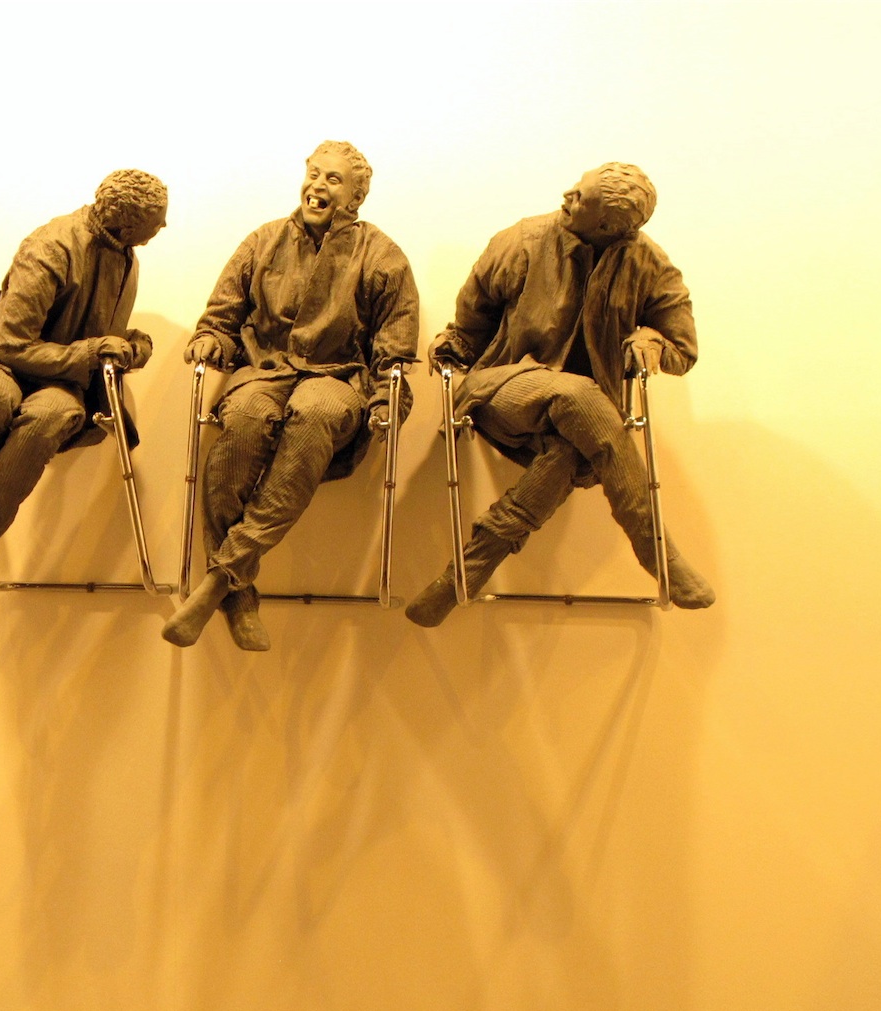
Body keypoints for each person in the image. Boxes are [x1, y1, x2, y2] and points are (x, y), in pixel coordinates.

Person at [406, 162, 716, 626]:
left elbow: (683, 349)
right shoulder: (521, 240)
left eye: (581, 198)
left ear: (609, 227)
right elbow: (470, 324)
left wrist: (652, 340)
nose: (567, 196)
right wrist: (449, 349)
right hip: (502, 387)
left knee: (569, 451)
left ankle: (460, 578)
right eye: (576, 187)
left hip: (585, 423)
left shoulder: (649, 265)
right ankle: (658, 553)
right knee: (579, 394)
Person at [161, 141, 419, 651]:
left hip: (337, 377)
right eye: (314, 174)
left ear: (355, 197)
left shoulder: (382, 255)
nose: (317, 187)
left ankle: (220, 579)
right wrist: (210, 340)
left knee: (314, 412)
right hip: (265, 369)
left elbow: (394, 349)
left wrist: (387, 399)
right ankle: (237, 592)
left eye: (333, 180)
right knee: (244, 419)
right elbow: (221, 318)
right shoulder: (263, 240)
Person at [0, 169, 169, 627]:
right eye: (154, 220)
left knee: (51, 416)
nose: (162, 227)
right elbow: (8, 343)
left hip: (62, 384)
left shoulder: (125, 257)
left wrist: (134, 345)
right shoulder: (52, 247)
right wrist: (91, 351)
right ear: (124, 222)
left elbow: (106, 332)